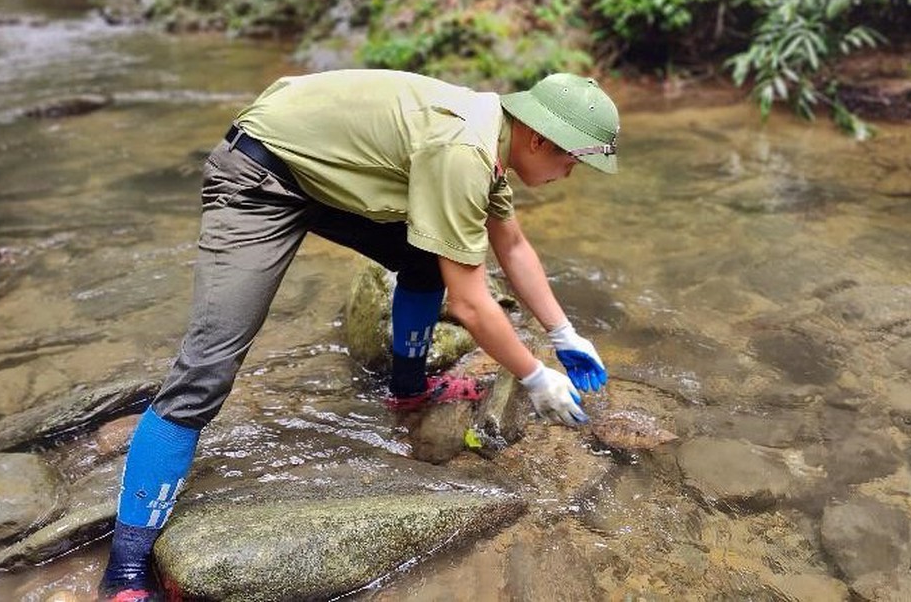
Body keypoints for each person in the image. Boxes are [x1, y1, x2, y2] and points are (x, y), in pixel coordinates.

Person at [98, 69, 620, 601]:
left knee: (423, 259)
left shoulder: (492, 141)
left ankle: (409, 390)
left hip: (325, 170)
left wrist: (564, 334)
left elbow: (512, 246)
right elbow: (469, 302)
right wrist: (533, 376)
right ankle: (127, 568)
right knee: (207, 368)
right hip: (259, 175)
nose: (571, 173)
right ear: (538, 137)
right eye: (573, 159)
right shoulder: (463, 149)